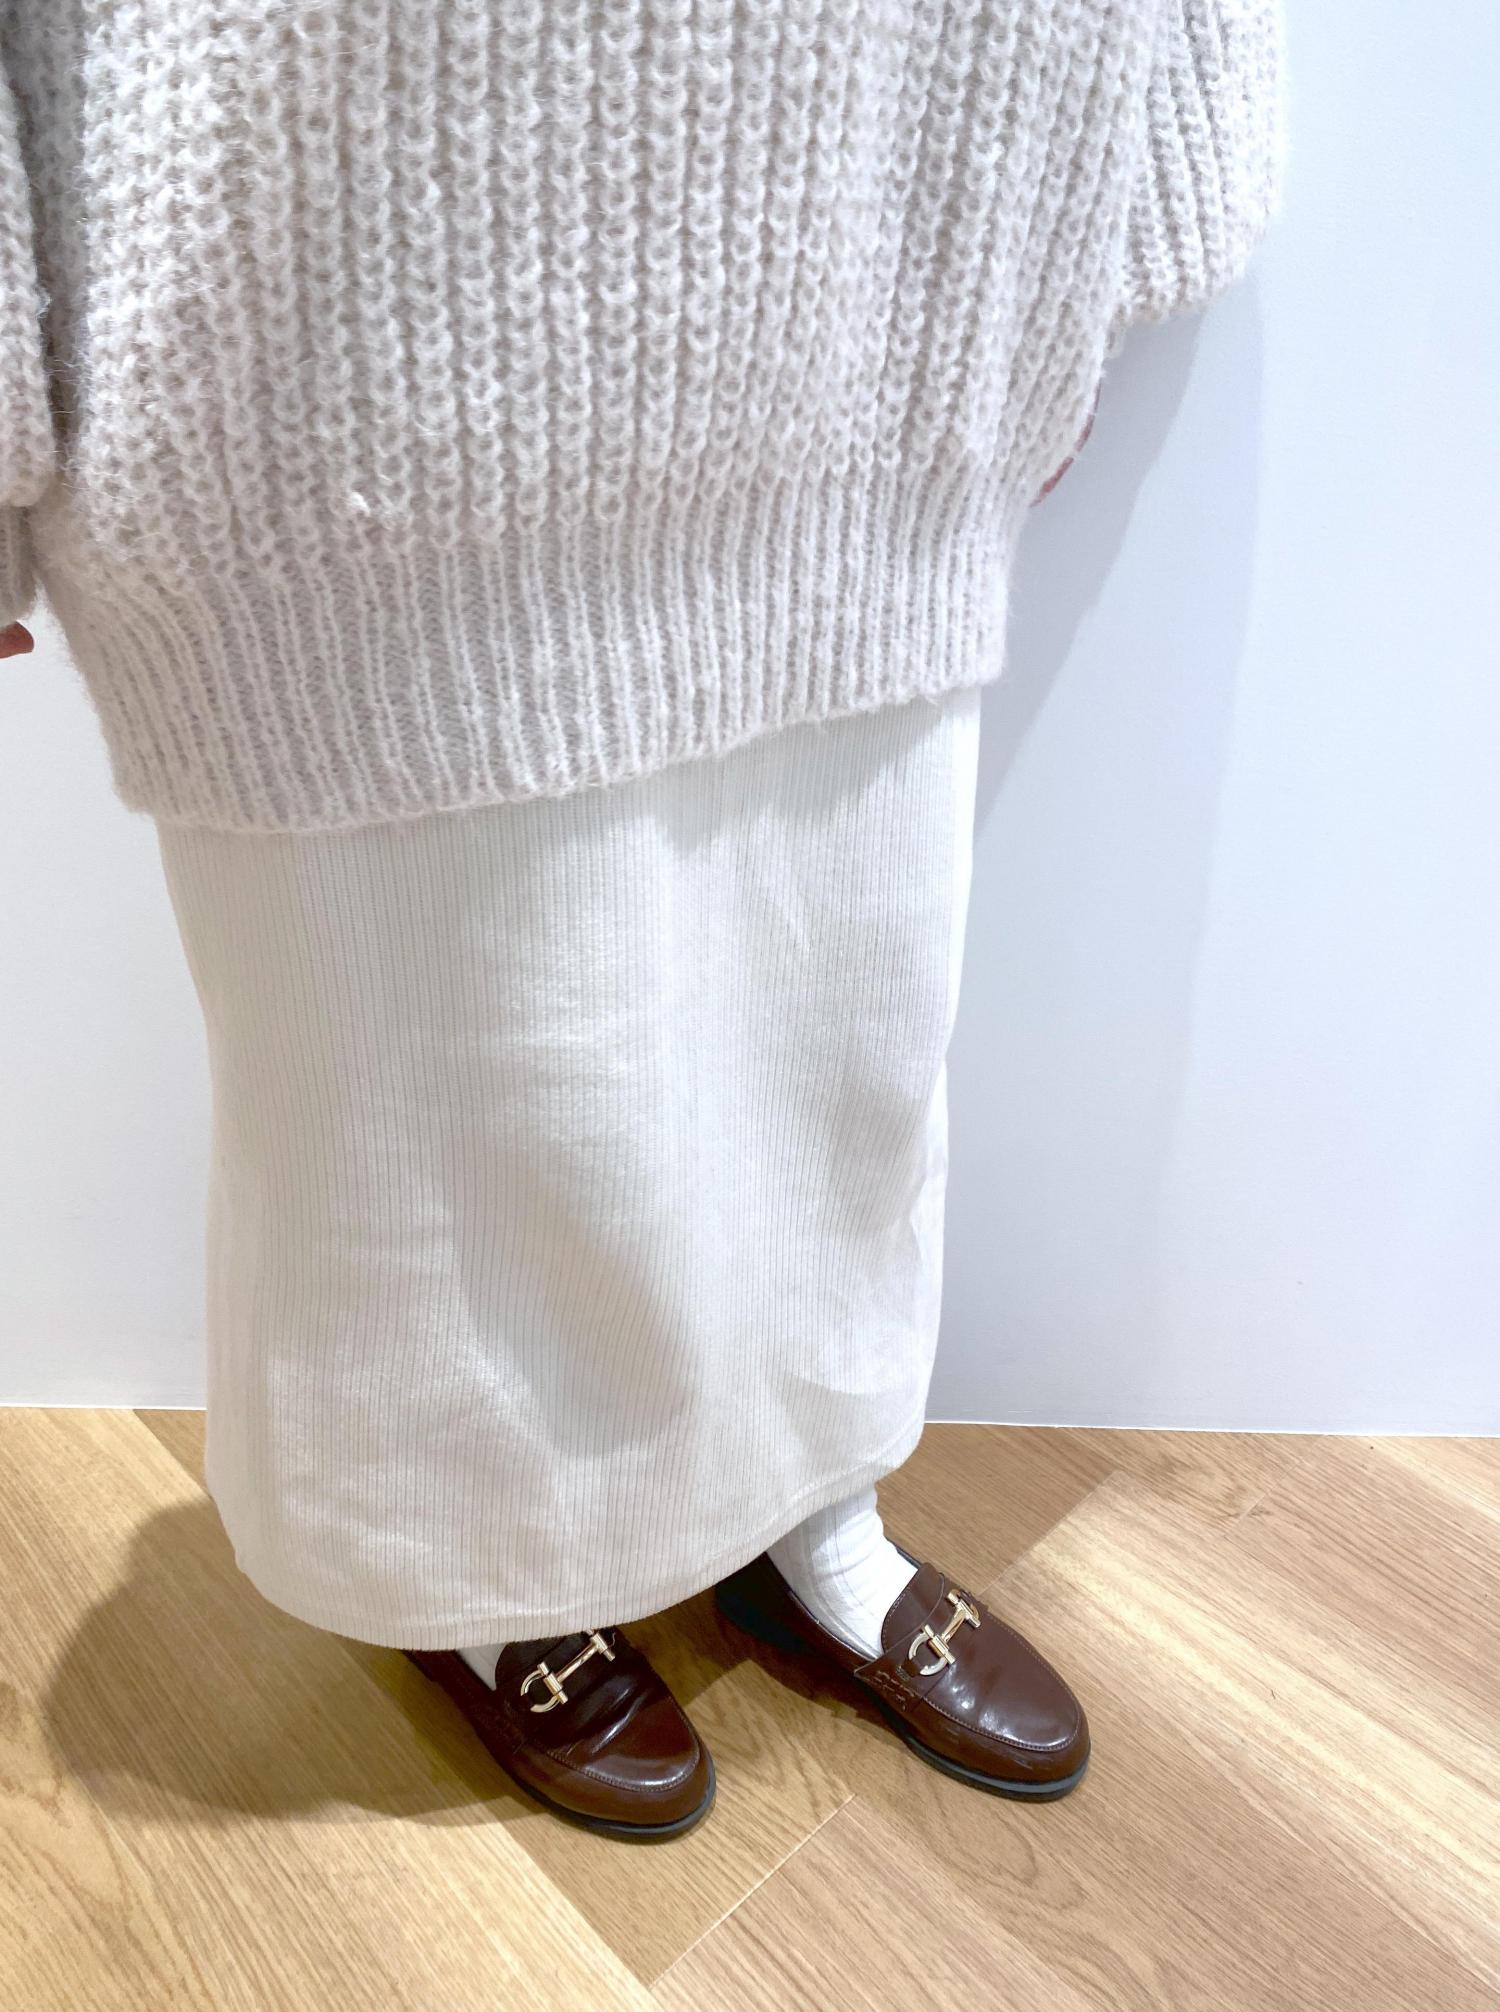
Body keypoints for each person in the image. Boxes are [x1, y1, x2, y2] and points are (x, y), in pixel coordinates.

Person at [1, 2, 1281, 1839]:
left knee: (834, 997)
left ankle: (810, 1507)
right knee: (423, 1046)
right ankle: (488, 1567)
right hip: (323, 327)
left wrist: (1135, 212)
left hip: (867, 248)